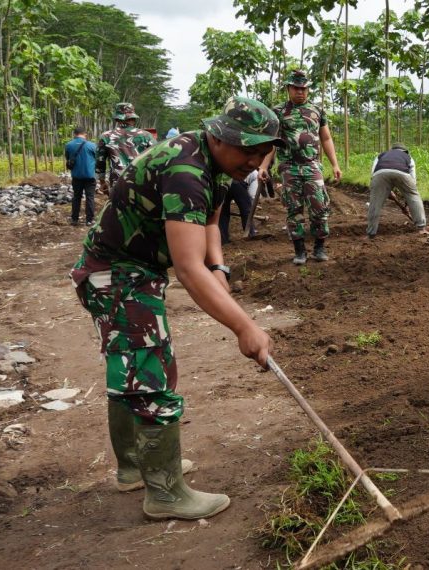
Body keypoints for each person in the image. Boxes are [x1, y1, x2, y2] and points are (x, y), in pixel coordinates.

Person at [70, 96, 278, 521]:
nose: (255, 162)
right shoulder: (186, 171)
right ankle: (164, 493)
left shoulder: (218, 166)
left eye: (262, 153)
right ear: (220, 137)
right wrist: (244, 326)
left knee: (129, 365)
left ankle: (136, 468)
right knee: (150, 368)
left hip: (133, 269)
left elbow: (208, 227)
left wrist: (217, 266)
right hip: (115, 273)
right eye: (248, 150)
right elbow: (187, 267)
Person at [259, 69, 342, 265]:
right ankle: (299, 251)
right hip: (289, 167)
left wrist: (335, 165)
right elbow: (273, 142)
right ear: (288, 88)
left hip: (312, 165)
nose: (300, 92)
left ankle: (319, 248)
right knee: (293, 209)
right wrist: (263, 166)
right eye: (296, 88)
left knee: (319, 207)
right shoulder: (278, 112)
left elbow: (326, 138)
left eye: (304, 88)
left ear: (308, 90)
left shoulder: (317, 111)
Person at [366, 143, 427, 237]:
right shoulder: (408, 157)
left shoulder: (381, 155)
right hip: (402, 173)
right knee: (414, 196)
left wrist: (386, 191)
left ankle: (371, 233)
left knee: (375, 203)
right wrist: (408, 199)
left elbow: (374, 173)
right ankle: (421, 228)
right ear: (405, 151)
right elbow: (413, 180)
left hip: (380, 174)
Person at [96, 102, 156, 193]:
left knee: (118, 207)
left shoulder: (106, 136)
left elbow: (100, 162)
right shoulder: (146, 136)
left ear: (117, 119)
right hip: (141, 184)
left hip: (118, 184)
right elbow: (155, 160)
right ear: (133, 118)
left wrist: (102, 182)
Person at [64, 126, 99, 226]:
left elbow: (68, 158)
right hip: (90, 176)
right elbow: (97, 159)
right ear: (85, 134)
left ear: (74, 134)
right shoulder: (92, 145)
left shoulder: (68, 145)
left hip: (76, 176)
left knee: (76, 197)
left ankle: (74, 219)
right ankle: (89, 220)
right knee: (90, 197)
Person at [218, 171, 258, 244]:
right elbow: (251, 198)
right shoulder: (255, 174)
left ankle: (223, 239)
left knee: (223, 212)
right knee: (246, 210)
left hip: (223, 182)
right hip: (237, 182)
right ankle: (250, 235)